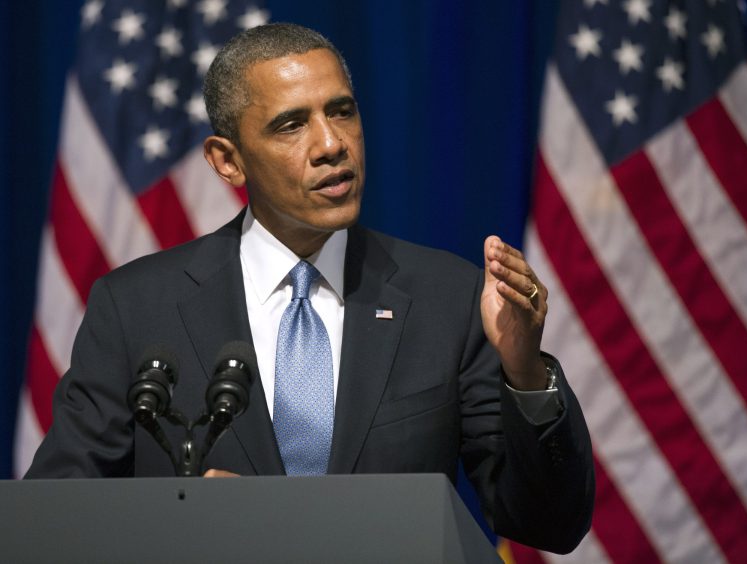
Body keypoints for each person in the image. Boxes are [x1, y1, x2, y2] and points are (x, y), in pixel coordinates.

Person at [26, 23, 594, 553]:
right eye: (291, 124)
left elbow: (549, 525)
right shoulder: (136, 307)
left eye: (342, 112)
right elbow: (51, 520)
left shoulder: (447, 297)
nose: (330, 144)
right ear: (228, 161)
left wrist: (525, 374)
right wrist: (171, 521)